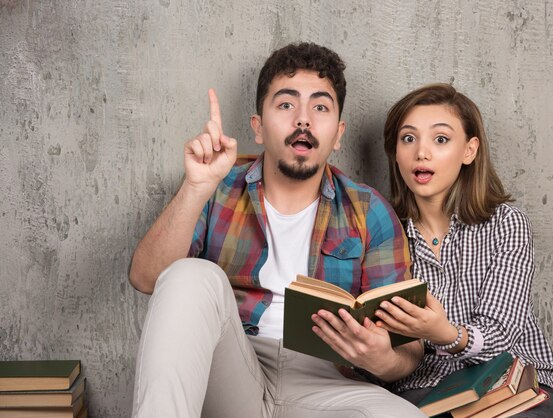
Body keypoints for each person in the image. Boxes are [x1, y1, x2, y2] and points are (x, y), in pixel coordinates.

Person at [128, 42, 426, 418]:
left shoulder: (370, 212)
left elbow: (409, 351)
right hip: (234, 371)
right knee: (190, 274)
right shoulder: (217, 187)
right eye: (286, 105)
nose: (303, 120)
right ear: (258, 126)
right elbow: (145, 277)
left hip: (327, 385)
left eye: (320, 107)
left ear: (338, 134)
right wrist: (195, 188)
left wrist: (383, 358)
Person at [376, 83, 553, 416]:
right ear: (395, 152)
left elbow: (501, 336)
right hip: (423, 390)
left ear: (469, 151)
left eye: (440, 140)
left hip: (510, 382)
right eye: (408, 139)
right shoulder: (382, 231)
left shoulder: (506, 224)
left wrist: (445, 333)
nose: (421, 153)